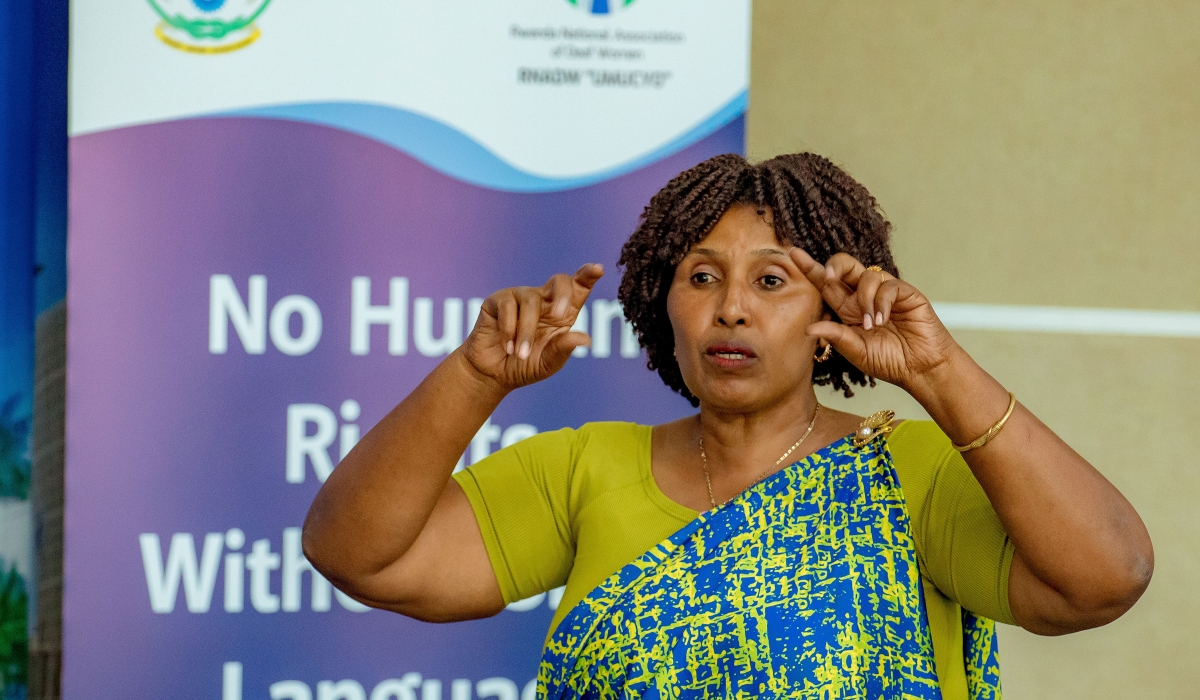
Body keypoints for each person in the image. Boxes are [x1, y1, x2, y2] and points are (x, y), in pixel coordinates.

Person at [302, 153, 1153, 699]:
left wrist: (939, 371)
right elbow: (358, 554)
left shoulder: (909, 473)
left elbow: (1106, 576)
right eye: (701, 276)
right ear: (660, 305)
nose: (732, 308)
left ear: (834, 306)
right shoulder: (584, 468)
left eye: (773, 281)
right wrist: (474, 375)